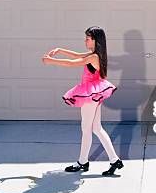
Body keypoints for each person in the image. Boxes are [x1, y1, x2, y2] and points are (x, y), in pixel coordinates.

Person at [41, 26, 124, 177]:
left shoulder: (93, 57)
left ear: (95, 40)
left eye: (88, 38)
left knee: (87, 128)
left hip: (90, 95)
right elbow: (76, 55)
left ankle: (82, 162)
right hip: (94, 94)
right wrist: (59, 50)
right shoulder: (95, 55)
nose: (85, 40)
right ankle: (114, 160)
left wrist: (51, 61)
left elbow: (73, 63)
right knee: (96, 128)